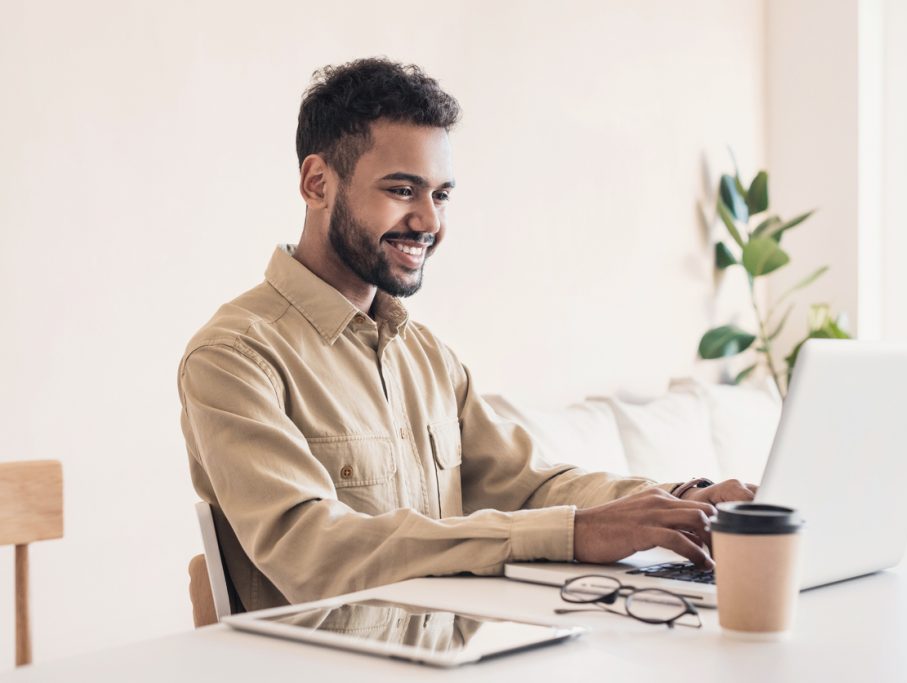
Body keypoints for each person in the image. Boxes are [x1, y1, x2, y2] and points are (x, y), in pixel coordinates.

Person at [177, 57, 756, 612]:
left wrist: (675, 503)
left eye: (441, 194)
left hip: (458, 656)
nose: (429, 221)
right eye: (402, 190)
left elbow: (526, 487)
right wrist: (572, 534)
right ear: (316, 182)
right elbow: (314, 551)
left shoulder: (426, 356)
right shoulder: (233, 357)